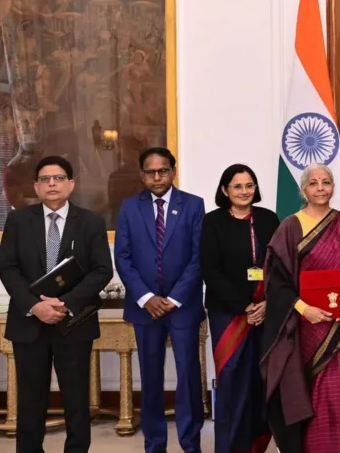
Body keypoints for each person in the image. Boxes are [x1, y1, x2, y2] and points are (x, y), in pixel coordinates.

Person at [0, 156, 114, 453]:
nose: (52, 184)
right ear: (36, 186)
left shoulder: (90, 221)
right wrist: (35, 306)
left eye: (59, 178)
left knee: (76, 400)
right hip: (29, 323)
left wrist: (65, 302)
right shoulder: (18, 220)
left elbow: (102, 270)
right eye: (45, 179)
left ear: (71, 184)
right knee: (30, 400)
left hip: (73, 323)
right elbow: (8, 268)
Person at [261, 163, 340, 453]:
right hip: (305, 326)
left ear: (333, 188)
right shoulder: (290, 226)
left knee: (339, 389)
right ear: (304, 190)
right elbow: (276, 279)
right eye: (314, 183)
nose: (321, 188)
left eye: (326, 182)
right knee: (307, 390)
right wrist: (303, 309)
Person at [114, 147, 205, 453]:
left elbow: (198, 257)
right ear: (142, 175)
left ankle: (191, 442)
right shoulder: (129, 207)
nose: (156, 177)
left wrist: (175, 297)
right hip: (145, 309)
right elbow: (123, 258)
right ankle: (154, 444)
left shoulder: (193, 205)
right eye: (150, 172)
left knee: (189, 375)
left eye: (162, 170)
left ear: (172, 171)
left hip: (183, 307)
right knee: (150, 378)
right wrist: (147, 297)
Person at [201, 164, 279, 453]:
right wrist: (246, 306)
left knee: (261, 381)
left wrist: (267, 303)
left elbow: (280, 267)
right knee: (233, 381)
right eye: (237, 186)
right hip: (228, 314)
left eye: (249, 186)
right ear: (225, 190)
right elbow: (211, 270)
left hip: (265, 313)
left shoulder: (269, 219)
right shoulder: (213, 222)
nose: (245, 191)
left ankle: (256, 445)